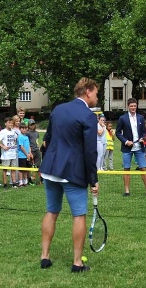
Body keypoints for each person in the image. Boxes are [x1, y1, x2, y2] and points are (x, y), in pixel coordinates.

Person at [39, 77, 99, 272]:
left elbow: (47, 139)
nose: (97, 98)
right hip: (71, 172)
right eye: (96, 94)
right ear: (88, 91)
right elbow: (90, 151)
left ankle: (45, 257)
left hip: (51, 170)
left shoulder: (58, 109)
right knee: (79, 215)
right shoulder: (88, 115)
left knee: (51, 211)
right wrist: (93, 179)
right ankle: (77, 263)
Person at [115, 98, 146, 196]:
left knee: (143, 168)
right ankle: (127, 191)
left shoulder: (140, 117)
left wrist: (142, 138)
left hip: (139, 147)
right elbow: (117, 133)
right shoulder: (122, 118)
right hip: (127, 149)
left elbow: (144, 131)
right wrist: (126, 141)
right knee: (127, 169)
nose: (133, 108)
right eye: (131, 106)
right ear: (128, 106)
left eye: (135, 106)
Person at [0, 117, 18, 188]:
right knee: (5, 169)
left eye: (11, 123)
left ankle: (14, 183)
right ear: (5, 123)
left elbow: (15, 138)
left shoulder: (13, 131)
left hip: (13, 153)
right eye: (9, 123)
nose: (10, 124)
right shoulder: (3, 131)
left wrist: (14, 144)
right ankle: (5, 184)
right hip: (6, 154)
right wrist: (2, 146)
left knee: (13, 169)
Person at [27, 119, 42, 184]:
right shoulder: (27, 133)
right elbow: (27, 142)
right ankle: (29, 178)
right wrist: (29, 152)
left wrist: (38, 146)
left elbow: (37, 140)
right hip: (31, 150)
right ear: (29, 125)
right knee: (30, 165)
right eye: (31, 125)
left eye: (33, 124)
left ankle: (41, 178)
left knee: (38, 164)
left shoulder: (36, 132)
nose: (32, 126)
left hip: (36, 149)